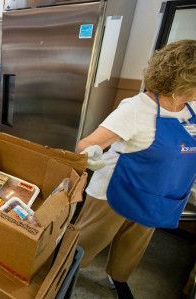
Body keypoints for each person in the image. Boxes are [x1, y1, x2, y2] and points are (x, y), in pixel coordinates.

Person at [75, 39, 196, 299]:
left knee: (134, 245)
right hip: (114, 192)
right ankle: (62, 274)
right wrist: (91, 155)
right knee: (86, 241)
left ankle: (117, 277)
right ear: (185, 81)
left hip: (159, 195)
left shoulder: (191, 108)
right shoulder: (136, 109)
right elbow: (86, 144)